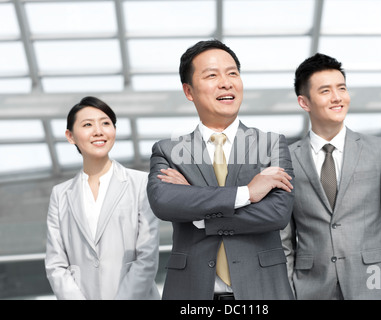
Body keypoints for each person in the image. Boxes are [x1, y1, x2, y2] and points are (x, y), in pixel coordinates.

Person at [147, 39, 295, 300]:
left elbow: (276, 213)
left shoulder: (272, 144)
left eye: (232, 73)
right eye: (212, 75)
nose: (226, 82)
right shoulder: (168, 151)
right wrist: (247, 193)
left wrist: (197, 211)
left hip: (262, 291)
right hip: (191, 293)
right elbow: (164, 203)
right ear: (189, 91)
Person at [282, 53, 381, 300]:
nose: (337, 97)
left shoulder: (379, 151)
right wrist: (289, 291)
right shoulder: (286, 160)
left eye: (341, 88)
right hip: (310, 290)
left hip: (373, 288)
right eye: (325, 91)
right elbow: (284, 238)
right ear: (304, 102)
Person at [45, 96, 160, 300]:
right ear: (70, 136)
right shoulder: (60, 194)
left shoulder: (141, 183)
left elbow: (147, 257)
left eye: (106, 123)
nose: (99, 131)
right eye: (88, 124)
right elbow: (56, 264)